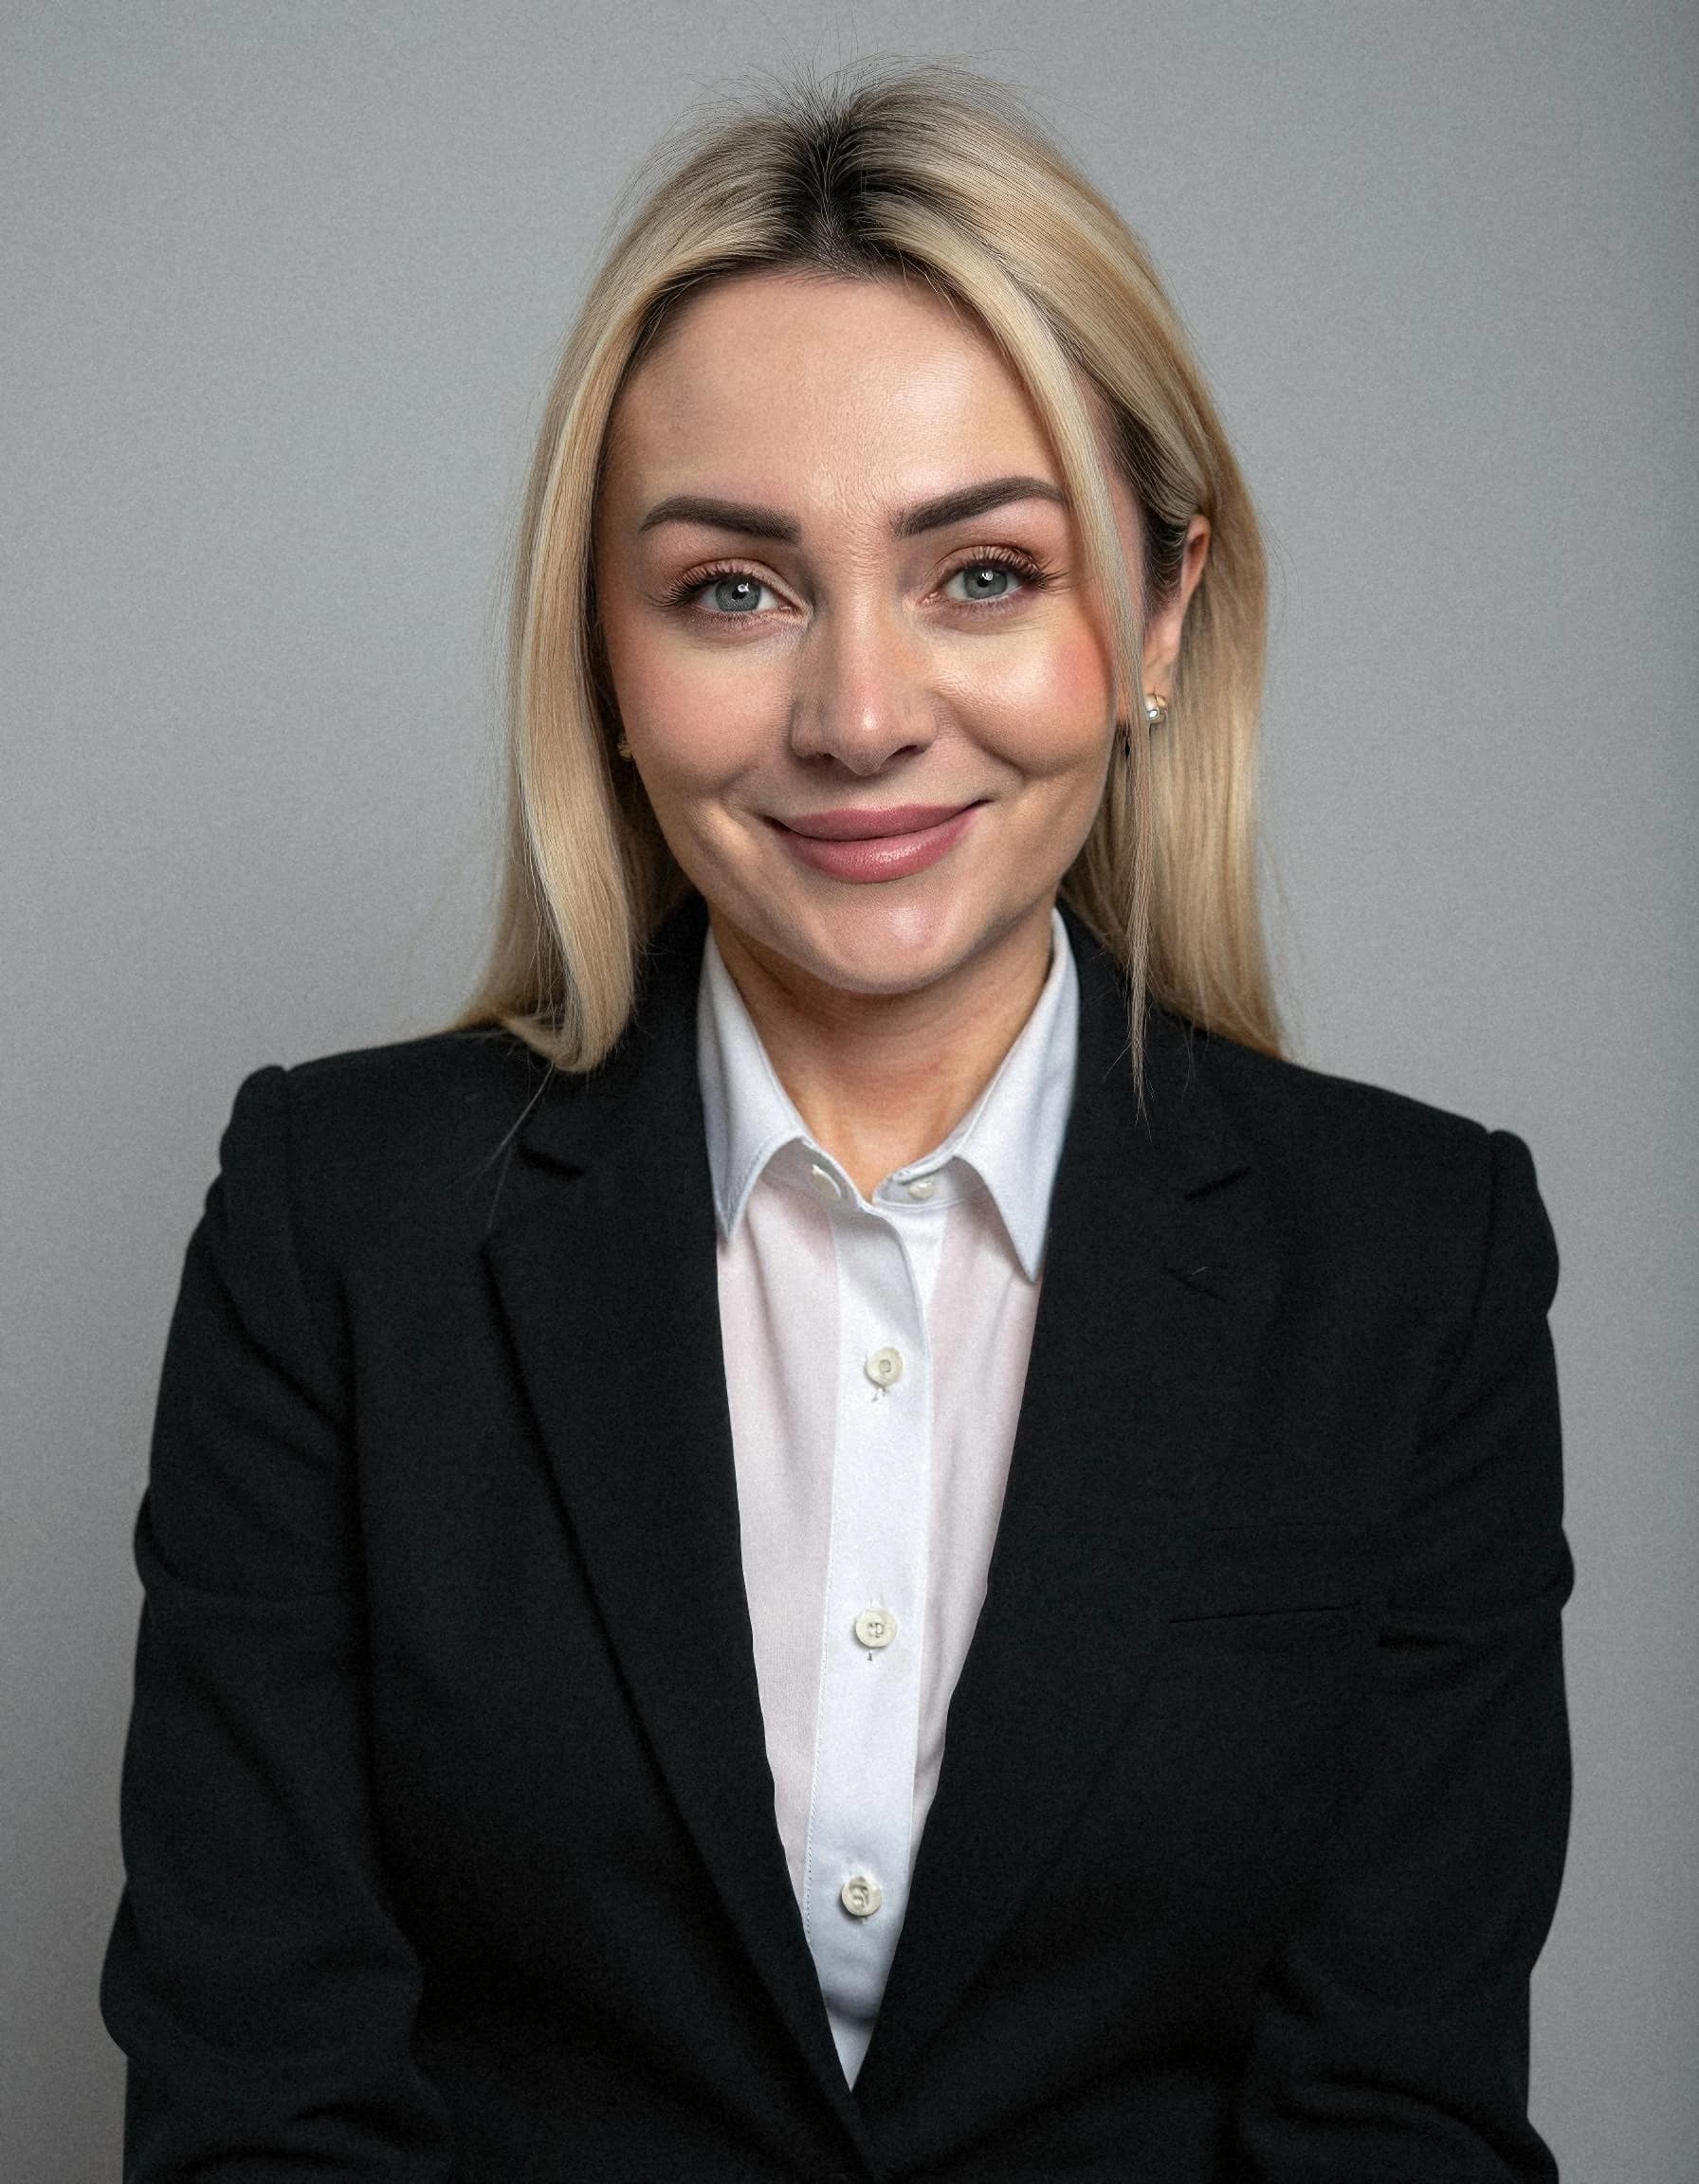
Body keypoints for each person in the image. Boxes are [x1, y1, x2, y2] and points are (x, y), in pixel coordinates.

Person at [100, 56, 1573, 2184]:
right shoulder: (338, 1227)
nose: (860, 713)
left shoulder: (1408, 1264)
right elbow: (260, 2104)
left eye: (981, 572)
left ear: (1155, 616)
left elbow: (1390, 2126)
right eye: (732, 589)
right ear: (601, 658)